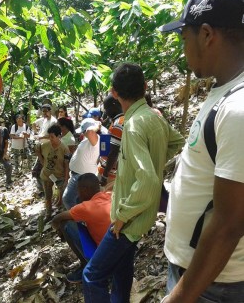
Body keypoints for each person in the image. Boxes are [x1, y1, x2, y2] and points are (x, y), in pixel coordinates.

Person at [159, 0, 244, 302]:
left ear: (207, 34)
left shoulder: (238, 108)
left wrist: (180, 297)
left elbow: (229, 223)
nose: (183, 51)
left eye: (184, 38)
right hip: (199, 275)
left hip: (214, 285)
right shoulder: (224, 92)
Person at [82, 63, 185, 302]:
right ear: (145, 86)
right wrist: (156, 157)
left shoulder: (133, 124)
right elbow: (177, 141)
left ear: (114, 92)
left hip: (128, 219)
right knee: (121, 271)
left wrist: (121, 217)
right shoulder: (153, 116)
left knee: (92, 275)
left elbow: (147, 178)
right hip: (138, 215)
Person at [52, 173, 111, 283]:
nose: (77, 194)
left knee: (66, 224)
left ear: (85, 190)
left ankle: (87, 264)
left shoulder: (86, 208)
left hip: (103, 261)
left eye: (78, 190)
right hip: (119, 253)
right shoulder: (109, 196)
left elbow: (56, 219)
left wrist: (59, 230)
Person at [62, 118, 100, 210]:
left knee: (68, 199)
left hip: (82, 175)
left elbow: (90, 132)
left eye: (83, 131)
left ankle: (76, 221)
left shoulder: (95, 138)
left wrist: (96, 125)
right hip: (78, 175)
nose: (82, 133)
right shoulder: (87, 140)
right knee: (79, 201)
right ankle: (80, 221)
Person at [36, 125, 69, 219]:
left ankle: (62, 214)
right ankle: (48, 213)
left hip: (59, 175)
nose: (50, 139)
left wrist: (66, 180)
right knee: (48, 196)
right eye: (49, 136)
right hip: (47, 175)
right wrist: (43, 162)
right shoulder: (45, 145)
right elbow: (37, 149)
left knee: (63, 195)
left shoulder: (64, 149)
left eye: (52, 137)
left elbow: (66, 165)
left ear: (59, 136)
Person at [98, 93, 124, 187]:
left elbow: (114, 152)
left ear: (114, 105)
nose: (106, 112)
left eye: (106, 108)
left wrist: (104, 175)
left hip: (110, 174)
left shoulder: (119, 123)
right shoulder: (118, 121)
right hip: (111, 171)